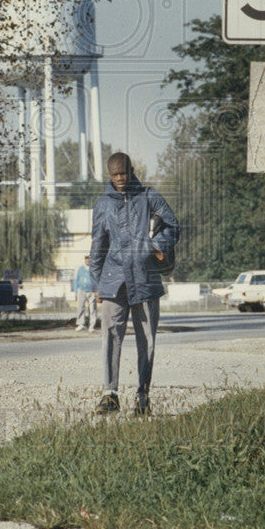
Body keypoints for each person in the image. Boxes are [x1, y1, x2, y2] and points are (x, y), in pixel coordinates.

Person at [89, 151, 180, 416]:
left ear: (132, 170)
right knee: (110, 337)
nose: (120, 179)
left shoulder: (150, 197)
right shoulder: (103, 205)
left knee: (148, 340)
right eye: (115, 174)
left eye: (124, 173)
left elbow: (173, 226)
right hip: (113, 281)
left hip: (146, 279)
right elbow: (98, 245)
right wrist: (96, 283)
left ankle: (143, 396)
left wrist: (155, 246)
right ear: (109, 174)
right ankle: (110, 394)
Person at [73, 255, 98, 332]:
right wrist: (76, 292)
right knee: (80, 307)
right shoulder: (80, 268)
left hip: (92, 291)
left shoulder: (94, 268)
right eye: (86, 259)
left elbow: (97, 279)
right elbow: (76, 280)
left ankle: (92, 326)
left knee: (92, 309)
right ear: (84, 260)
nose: (87, 261)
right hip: (81, 290)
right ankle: (81, 324)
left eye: (89, 259)